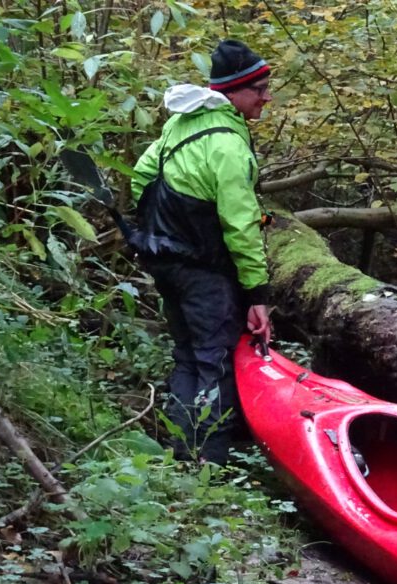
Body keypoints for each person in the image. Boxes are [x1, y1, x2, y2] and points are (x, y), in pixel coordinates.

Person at [131, 39, 273, 464]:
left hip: (165, 260)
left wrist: (166, 230)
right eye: (259, 89)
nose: (267, 97)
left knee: (188, 355)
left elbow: (142, 176)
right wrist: (258, 296)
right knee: (215, 360)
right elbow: (241, 225)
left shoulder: (183, 123)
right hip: (203, 268)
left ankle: (182, 454)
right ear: (233, 92)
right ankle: (209, 462)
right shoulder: (228, 143)